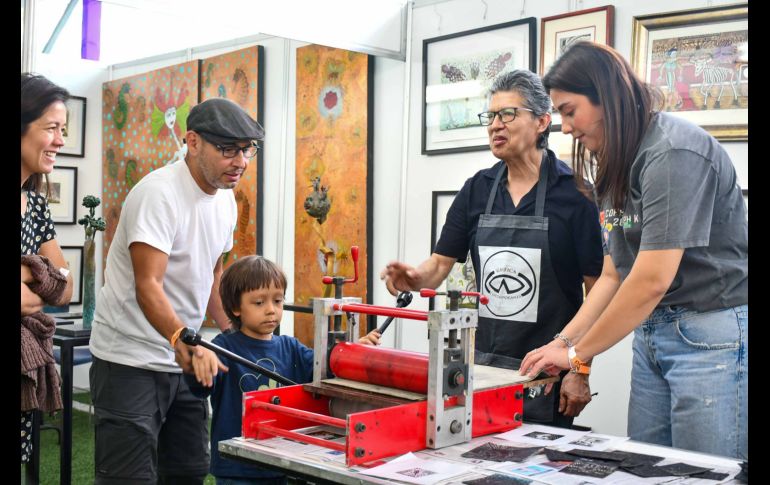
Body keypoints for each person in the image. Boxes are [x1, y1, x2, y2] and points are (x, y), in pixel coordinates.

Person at [520, 41, 747, 460]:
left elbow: (651, 280)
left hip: (708, 335)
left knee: (705, 470)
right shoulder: (616, 160)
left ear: (605, 95)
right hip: (653, 334)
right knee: (644, 465)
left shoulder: (673, 152)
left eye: (570, 111)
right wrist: (564, 343)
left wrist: (577, 354)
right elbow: (614, 274)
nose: (565, 127)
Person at [380, 70, 604, 427]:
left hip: (545, 374)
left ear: (542, 122)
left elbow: (598, 291)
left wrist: (582, 365)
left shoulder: (576, 196)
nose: (495, 125)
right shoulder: (477, 190)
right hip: (478, 370)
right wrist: (414, 277)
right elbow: (439, 265)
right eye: (491, 116)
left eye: (508, 114)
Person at [88, 97, 263, 484]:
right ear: (193, 141)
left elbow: (212, 276)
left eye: (247, 150)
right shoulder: (159, 194)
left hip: (185, 359)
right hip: (129, 360)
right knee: (127, 478)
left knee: (188, 472)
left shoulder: (225, 199)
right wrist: (181, 336)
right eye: (228, 150)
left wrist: (236, 336)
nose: (241, 162)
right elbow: (147, 284)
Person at [185, 255, 381, 484]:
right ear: (236, 307)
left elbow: (327, 365)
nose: (271, 310)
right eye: (259, 303)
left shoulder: (292, 348)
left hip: (283, 464)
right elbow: (200, 385)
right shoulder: (222, 347)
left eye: (277, 301)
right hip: (237, 468)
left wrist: (354, 351)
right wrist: (196, 359)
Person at [20, 72, 75, 464]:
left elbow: (66, 287)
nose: (60, 140)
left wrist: (26, 271)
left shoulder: (36, 206)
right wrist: (42, 271)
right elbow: (54, 278)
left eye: (63, 129)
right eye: (51, 128)